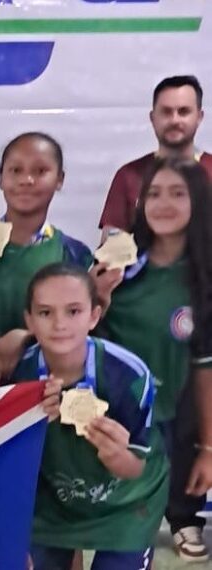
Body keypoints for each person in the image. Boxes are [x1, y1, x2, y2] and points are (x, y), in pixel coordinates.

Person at [94, 158, 212, 562]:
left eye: (177, 194)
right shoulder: (116, 267)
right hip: (119, 415)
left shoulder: (204, 275)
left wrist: (208, 448)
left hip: (180, 412)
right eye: (154, 194)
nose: (163, 204)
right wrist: (100, 297)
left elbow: (205, 367)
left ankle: (183, 516)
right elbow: (81, 337)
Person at [12, 263, 167, 570]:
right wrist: (28, 418)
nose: (59, 324)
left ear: (94, 316)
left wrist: (116, 455)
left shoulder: (130, 375)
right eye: (45, 313)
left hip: (127, 505)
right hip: (54, 507)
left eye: (73, 311)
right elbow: (15, 460)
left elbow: (135, 467)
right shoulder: (20, 376)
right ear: (29, 319)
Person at [0, 132, 93, 381]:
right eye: (15, 170)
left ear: (60, 179)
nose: (26, 180)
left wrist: (25, 336)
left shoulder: (73, 254)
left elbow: (79, 331)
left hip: (42, 387)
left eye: (40, 171)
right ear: (1, 178)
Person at [99, 75, 212, 234]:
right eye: (166, 112)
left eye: (183, 111)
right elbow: (111, 250)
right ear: (153, 118)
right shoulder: (128, 175)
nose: (174, 120)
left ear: (199, 117)